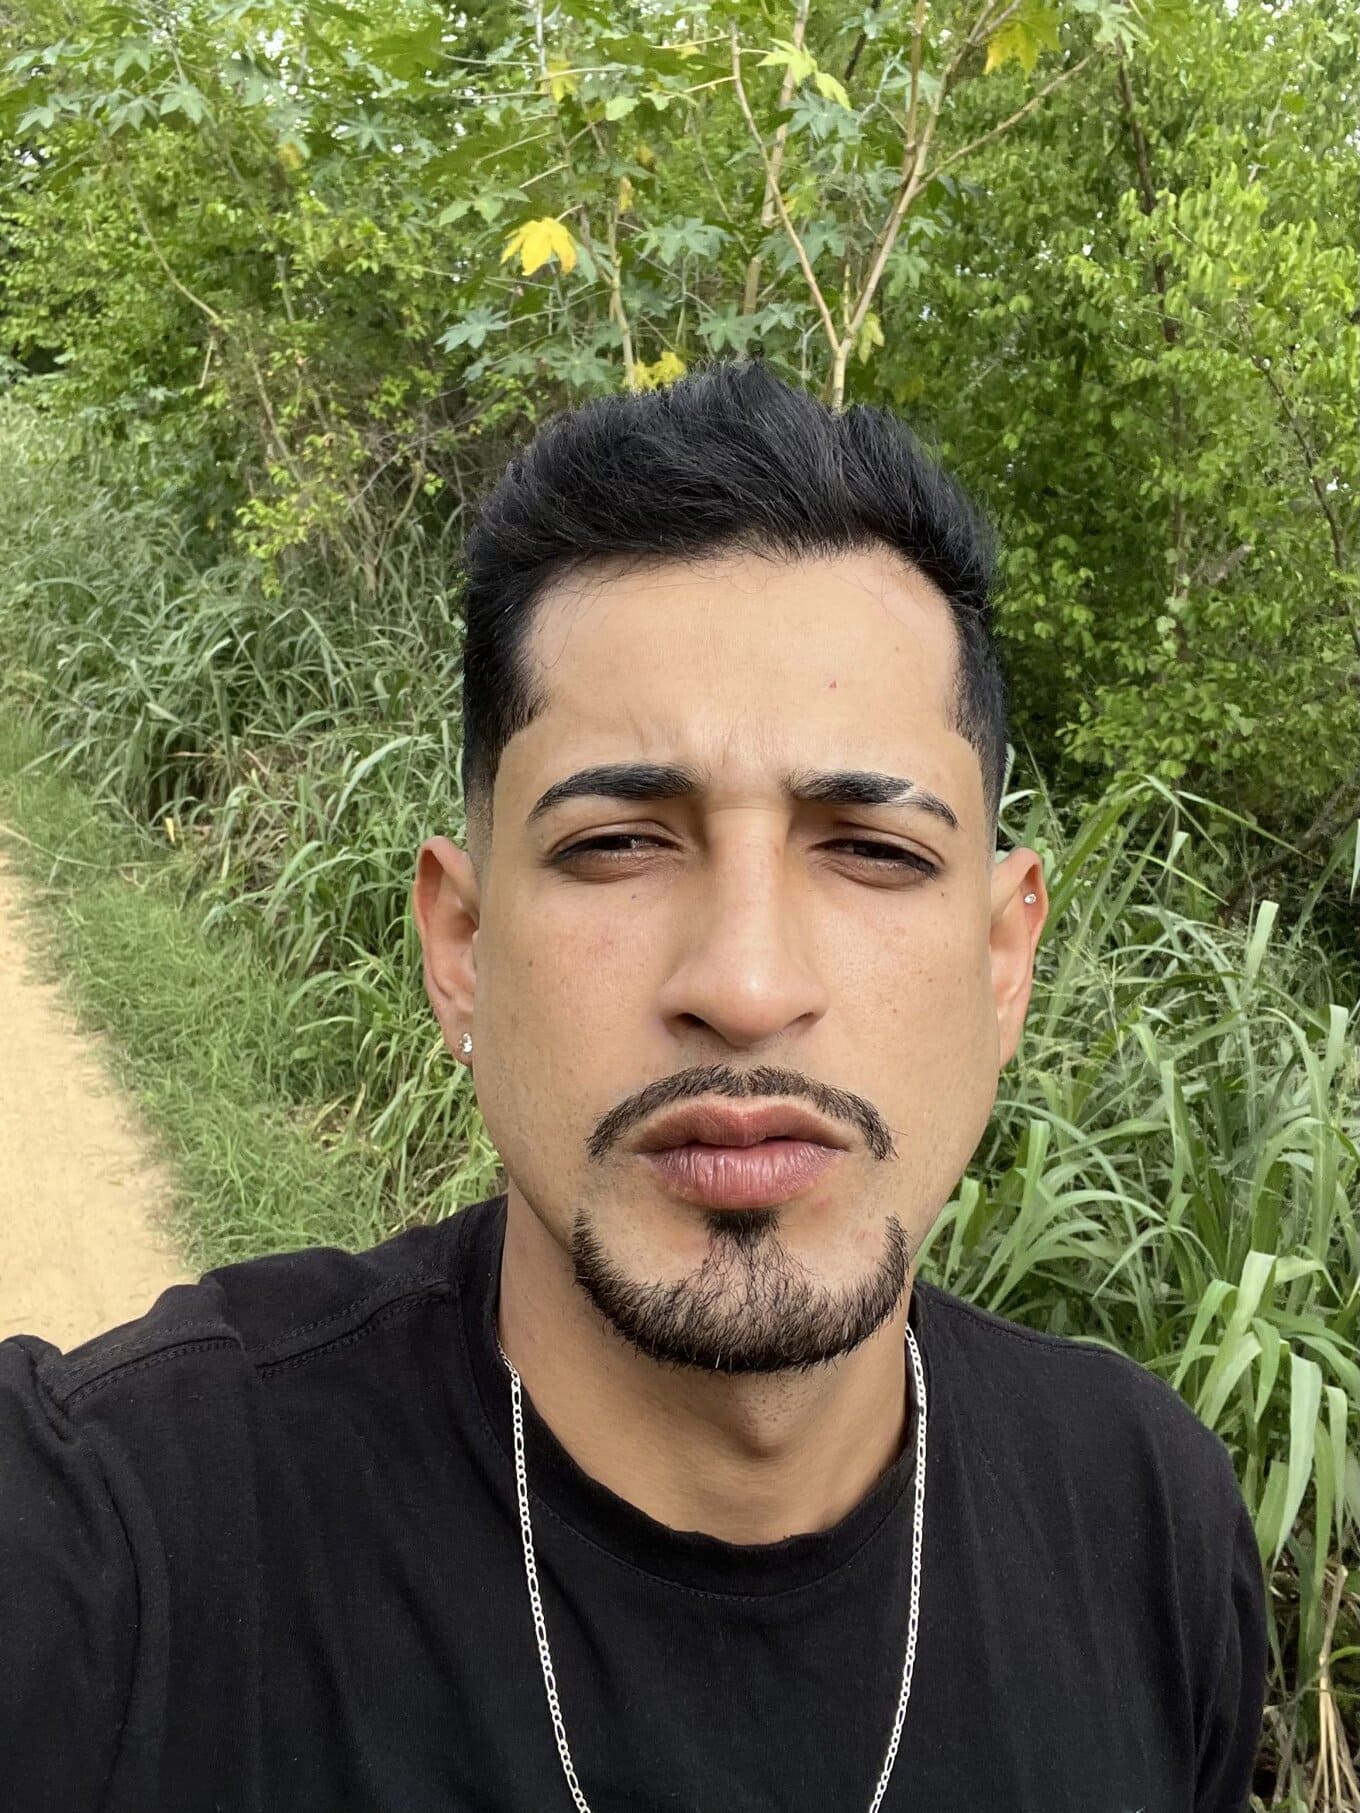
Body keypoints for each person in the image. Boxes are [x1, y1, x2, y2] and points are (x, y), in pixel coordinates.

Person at [0, 360, 1266, 1812]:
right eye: (616, 844)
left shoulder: (1144, 1523)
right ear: (463, 945)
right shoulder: (120, 1550)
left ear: (1002, 961)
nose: (744, 982)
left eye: (872, 851)